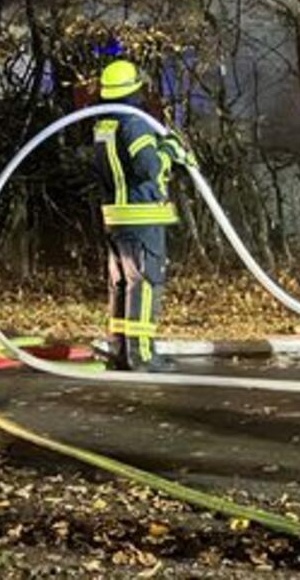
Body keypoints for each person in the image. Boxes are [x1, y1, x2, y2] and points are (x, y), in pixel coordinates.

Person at [90, 60, 193, 372]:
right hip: (141, 214)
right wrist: (171, 152)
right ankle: (142, 354)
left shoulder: (103, 124)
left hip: (116, 216)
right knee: (146, 282)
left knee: (121, 285)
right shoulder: (135, 123)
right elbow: (149, 166)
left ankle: (120, 349)